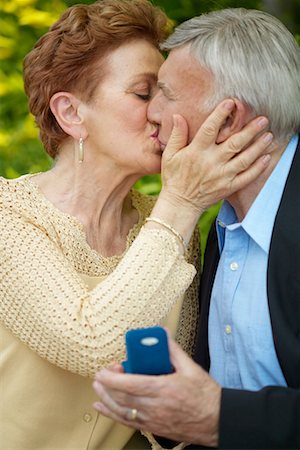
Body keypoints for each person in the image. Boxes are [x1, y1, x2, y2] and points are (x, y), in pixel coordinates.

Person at [0, 1, 272, 449]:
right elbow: (90, 343)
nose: (162, 113)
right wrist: (182, 201)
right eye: (145, 94)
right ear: (71, 113)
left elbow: (168, 411)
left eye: (168, 95)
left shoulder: (167, 226)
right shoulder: (10, 216)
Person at [92, 7, 300, 450]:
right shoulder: (221, 226)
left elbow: (223, 414)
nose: (152, 115)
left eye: (163, 93)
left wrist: (219, 417)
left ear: (227, 120)